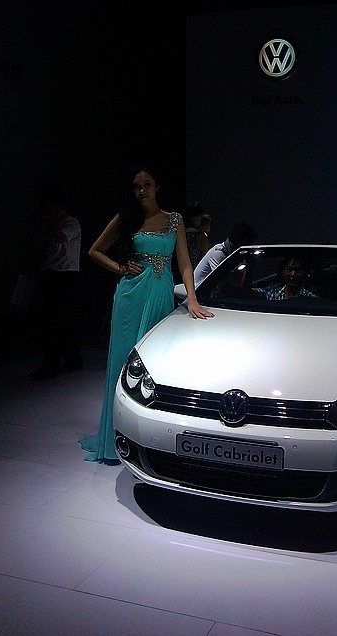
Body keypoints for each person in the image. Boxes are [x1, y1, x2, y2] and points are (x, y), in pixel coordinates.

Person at [79, 163, 213, 464]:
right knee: (122, 364)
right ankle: (115, 438)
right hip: (130, 296)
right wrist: (120, 268)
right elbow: (94, 250)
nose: (142, 190)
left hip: (160, 295)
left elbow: (185, 263)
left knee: (153, 364)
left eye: (147, 184)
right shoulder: (125, 218)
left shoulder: (174, 220)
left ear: (157, 187)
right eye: (137, 186)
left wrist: (192, 299)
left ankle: (149, 438)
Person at [29, 183, 82, 380]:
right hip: (51, 274)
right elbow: (46, 249)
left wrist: (51, 221)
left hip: (64, 276)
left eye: (46, 203)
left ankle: (52, 365)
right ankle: (70, 360)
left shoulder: (71, 223)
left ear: (56, 204)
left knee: (55, 322)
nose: (42, 207)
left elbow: (61, 239)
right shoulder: (48, 224)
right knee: (55, 322)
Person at [194, 221, 258, 287]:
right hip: (201, 290)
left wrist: (249, 266)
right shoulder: (218, 253)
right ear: (243, 242)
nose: (249, 248)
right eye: (249, 244)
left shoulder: (235, 255)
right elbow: (222, 286)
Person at [253, 255, 317, 300]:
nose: (293, 274)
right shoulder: (273, 291)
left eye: (297, 270)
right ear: (283, 272)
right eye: (289, 270)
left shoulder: (310, 299)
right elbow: (250, 292)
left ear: (304, 274)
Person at [182, 201, 210, 270]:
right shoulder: (201, 237)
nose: (201, 218)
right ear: (193, 218)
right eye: (200, 216)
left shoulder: (178, 235)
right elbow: (205, 260)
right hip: (196, 272)